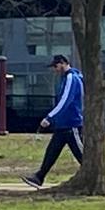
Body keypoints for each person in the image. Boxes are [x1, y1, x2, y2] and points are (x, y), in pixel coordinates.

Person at [24, 55, 85, 188]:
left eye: (56, 67)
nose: (55, 70)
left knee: (81, 154)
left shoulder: (71, 78)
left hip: (72, 124)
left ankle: (92, 172)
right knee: (52, 151)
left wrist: (49, 117)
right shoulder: (65, 78)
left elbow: (65, 101)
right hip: (63, 124)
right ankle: (39, 176)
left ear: (63, 63)